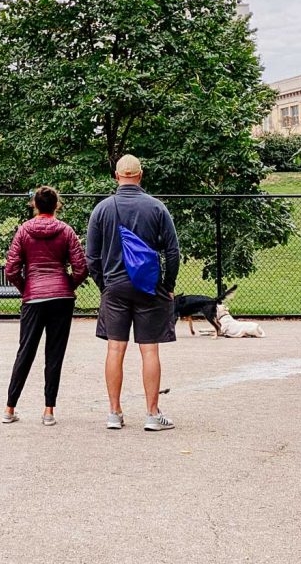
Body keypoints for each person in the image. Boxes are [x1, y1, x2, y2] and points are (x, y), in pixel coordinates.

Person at [86, 155, 180, 432]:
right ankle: (152, 414)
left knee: (115, 348)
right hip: (149, 288)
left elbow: (91, 257)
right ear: (140, 175)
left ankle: (114, 413)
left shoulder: (102, 209)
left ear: (117, 176)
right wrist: (168, 285)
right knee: (149, 349)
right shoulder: (157, 208)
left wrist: (104, 286)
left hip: (114, 287)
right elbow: (172, 252)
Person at [2, 186, 87, 426]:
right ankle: (49, 410)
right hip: (61, 298)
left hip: (34, 297)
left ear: (35, 205)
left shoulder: (24, 231)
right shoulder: (66, 231)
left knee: (25, 351)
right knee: (54, 354)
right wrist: (67, 285)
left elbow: (11, 269)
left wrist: (26, 288)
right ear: (56, 205)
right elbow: (81, 266)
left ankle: (10, 407)